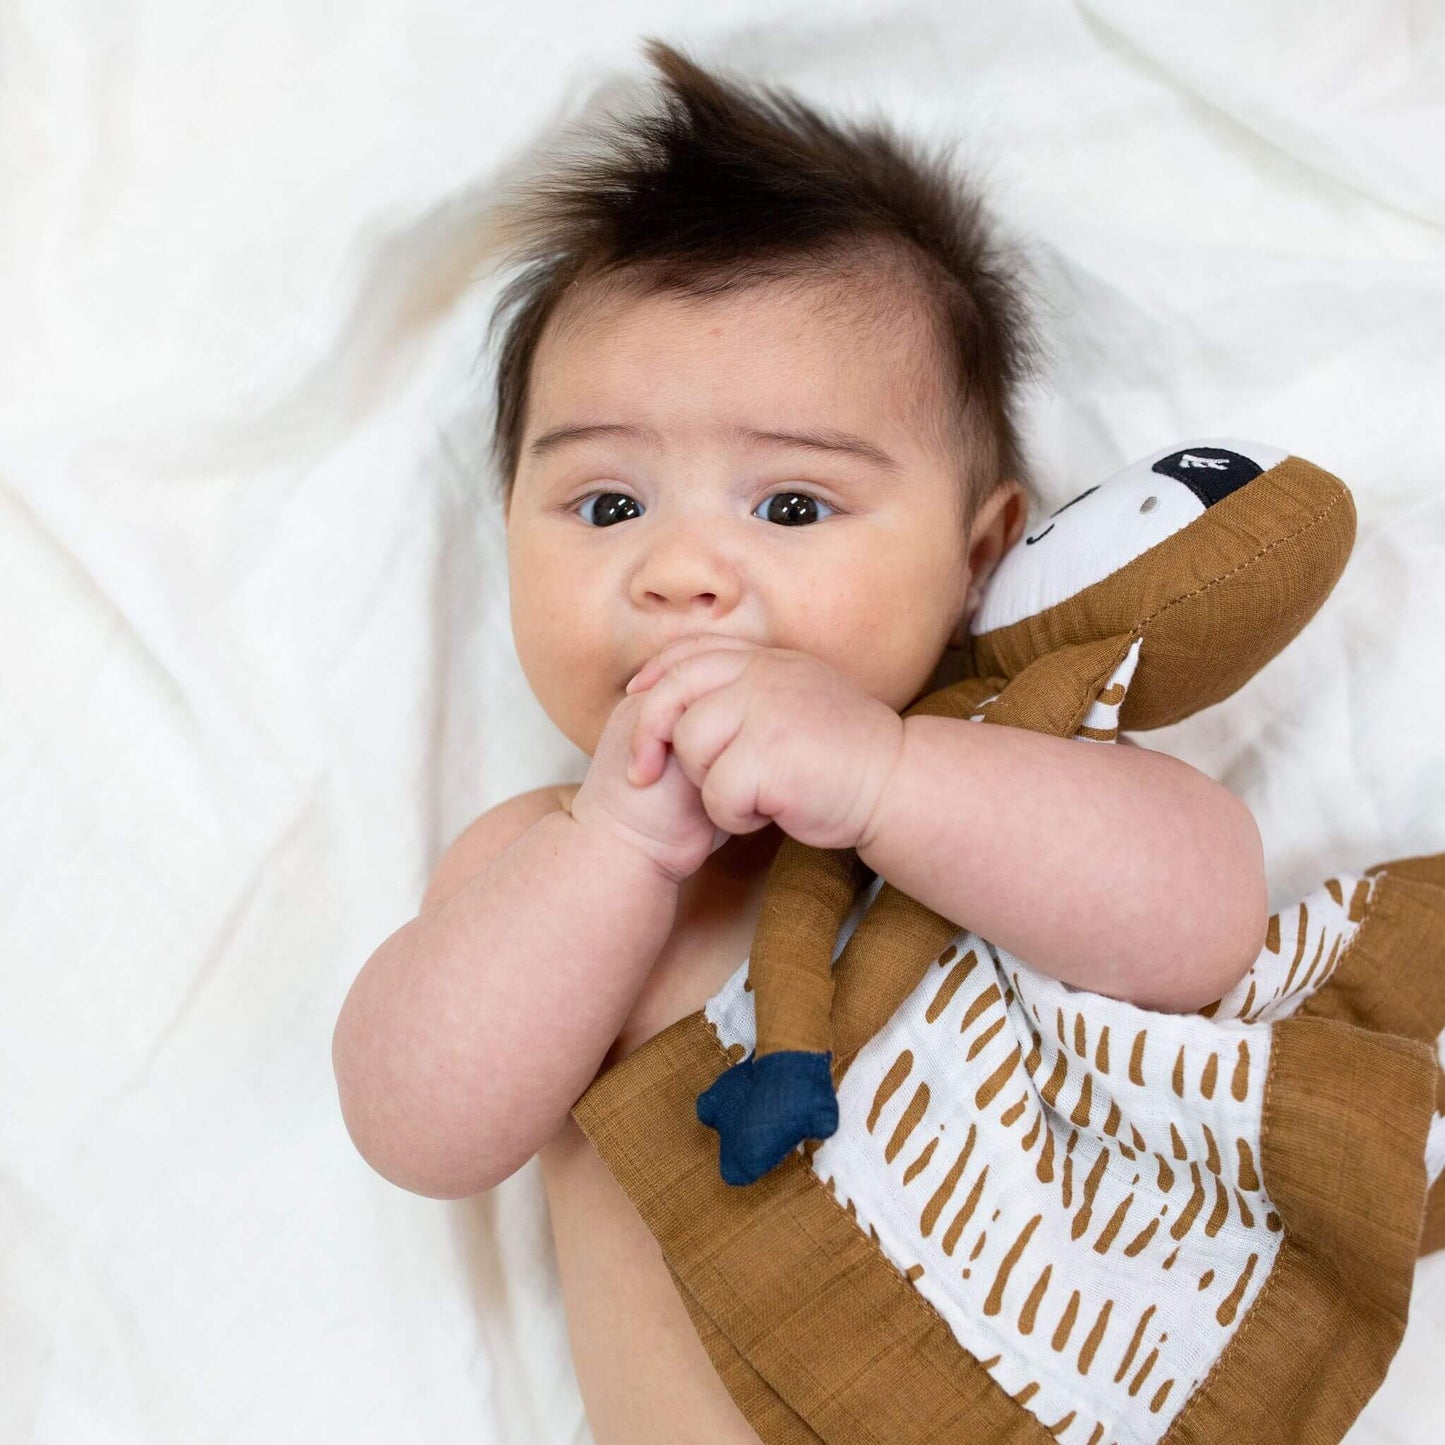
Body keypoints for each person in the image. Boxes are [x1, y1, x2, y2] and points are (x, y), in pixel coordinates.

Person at [331, 39, 1269, 1445]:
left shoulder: (1000, 766)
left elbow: (1206, 919)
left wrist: (888, 778)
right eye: (605, 506)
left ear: (978, 555)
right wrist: (615, 852)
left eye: (788, 507)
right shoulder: (540, 859)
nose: (682, 571)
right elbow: (417, 1127)